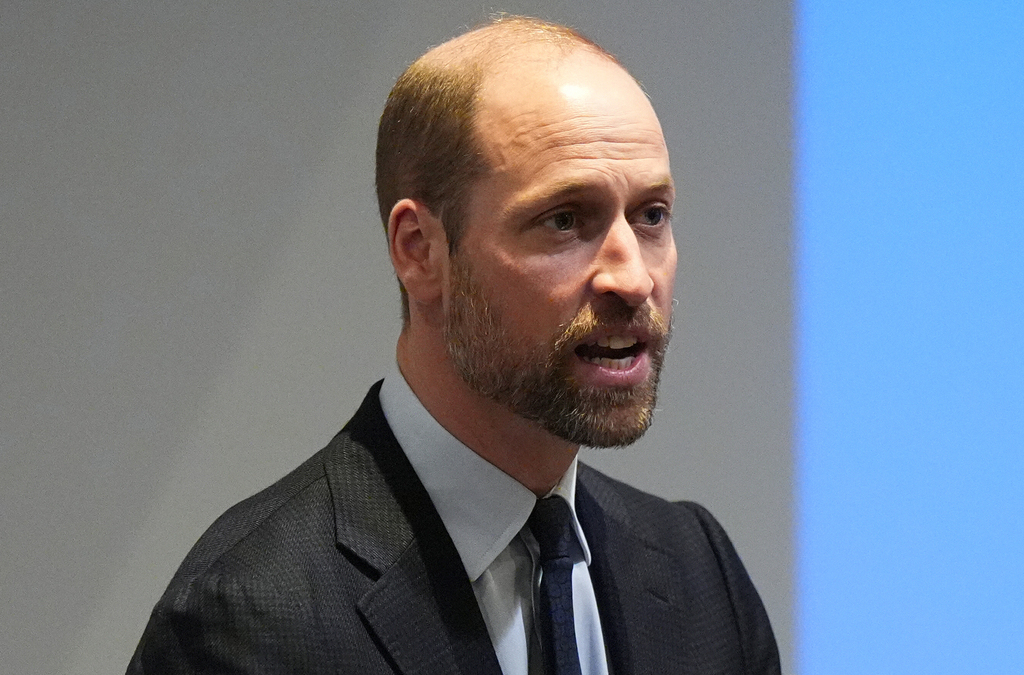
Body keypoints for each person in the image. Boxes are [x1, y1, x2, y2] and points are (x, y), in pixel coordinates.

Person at [127, 16, 780, 675]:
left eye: (651, 215)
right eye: (564, 220)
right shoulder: (249, 617)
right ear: (420, 251)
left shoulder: (701, 575)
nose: (633, 277)